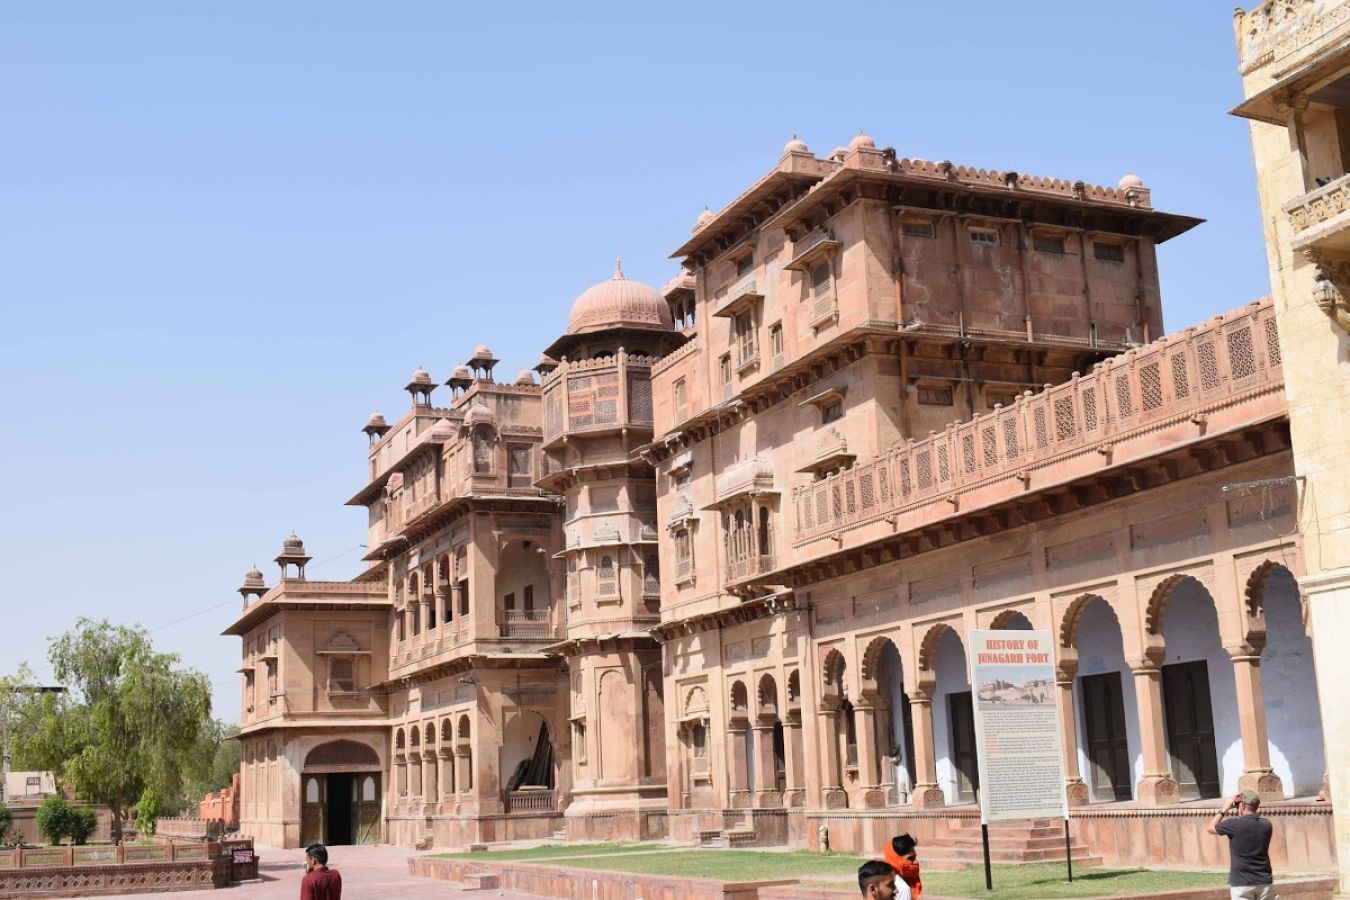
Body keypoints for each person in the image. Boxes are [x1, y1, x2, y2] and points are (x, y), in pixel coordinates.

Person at [1208, 789, 1277, 900]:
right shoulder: (1266, 824)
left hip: (1242, 882)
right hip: (1264, 881)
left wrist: (1224, 809)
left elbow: (1210, 828)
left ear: (1242, 806)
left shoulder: (1233, 825)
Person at [882, 832, 922, 899]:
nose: (916, 862)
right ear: (895, 859)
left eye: (915, 857)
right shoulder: (902, 889)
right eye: (910, 858)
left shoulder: (908, 880)